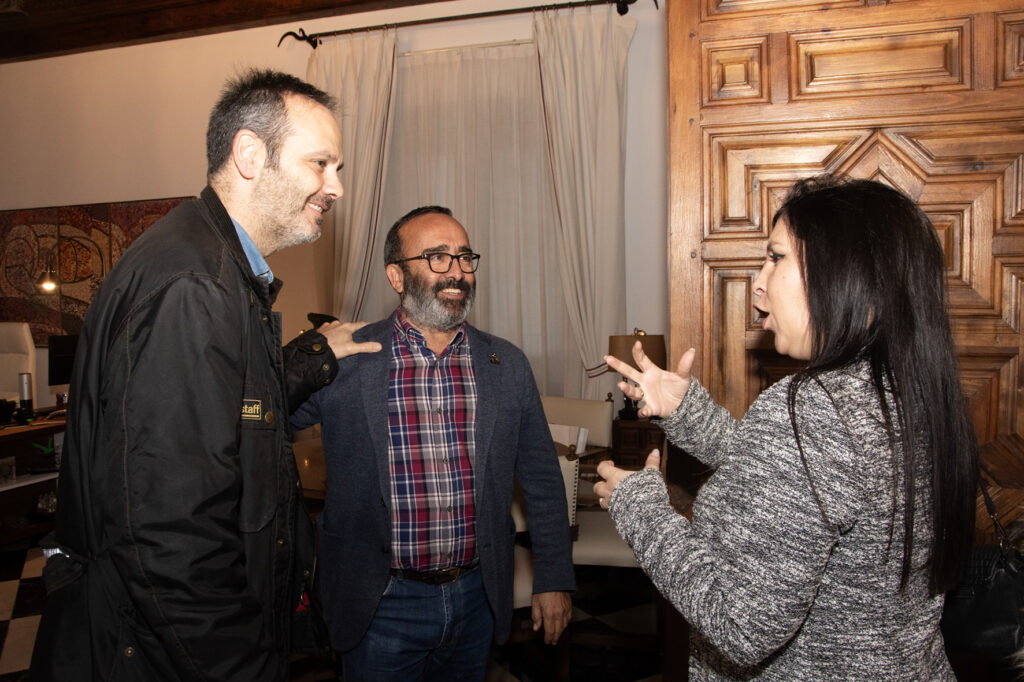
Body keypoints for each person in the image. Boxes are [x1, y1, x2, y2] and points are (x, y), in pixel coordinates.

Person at [31, 69, 381, 681]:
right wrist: (240, 668)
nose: (337, 187)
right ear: (250, 155)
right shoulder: (192, 286)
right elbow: (170, 536)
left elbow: (228, 410)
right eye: (322, 164)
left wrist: (308, 359)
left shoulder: (205, 262)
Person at [596, 176, 978, 680]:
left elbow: (741, 624)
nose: (758, 281)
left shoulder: (812, 409)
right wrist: (688, 411)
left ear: (846, 273)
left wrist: (640, 507)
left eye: (775, 258)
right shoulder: (911, 391)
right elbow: (797, 494)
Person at [291, 205, 575, 681]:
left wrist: (553, 578)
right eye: (438, 258)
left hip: (476, 596)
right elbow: (265, 414)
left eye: (465, 258)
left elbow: (543, 480)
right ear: (396, 277)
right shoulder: (351, 356)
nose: (457, 272)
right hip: (378, 600)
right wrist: (306, 356)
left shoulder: (505, 363)